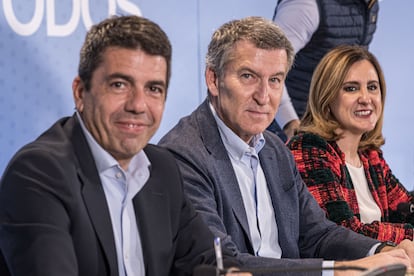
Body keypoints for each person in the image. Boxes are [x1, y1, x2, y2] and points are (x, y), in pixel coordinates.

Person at [158, 16, 414, 275]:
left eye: (275, 80)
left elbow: (317, 233)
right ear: (213, 79)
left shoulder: (274, 149)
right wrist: (338, 270)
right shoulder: (183, 153)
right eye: (248, 76)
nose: (263, 96)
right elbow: (221, 261)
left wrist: (381, 250)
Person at [0, 15, 246, 276]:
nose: (138, 105)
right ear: (80, 92)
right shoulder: (38, 173)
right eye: (119, 85)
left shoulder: (162, 168)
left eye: (153, 89)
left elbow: (210, 261)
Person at [287, 45, 414, 245]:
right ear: (327, 96)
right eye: (351, 88)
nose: (365, 98)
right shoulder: (308, 149)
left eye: (372, 87)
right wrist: (407, 235)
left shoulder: (370, 156)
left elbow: (406, 209)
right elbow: (342, 232)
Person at [269, 0, 379, 141]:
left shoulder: (368, 5)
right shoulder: (304, 4)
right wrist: (289, 122)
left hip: (332, 130)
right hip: (293, 129)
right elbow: (269, 65)